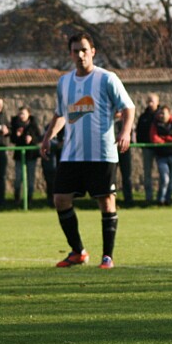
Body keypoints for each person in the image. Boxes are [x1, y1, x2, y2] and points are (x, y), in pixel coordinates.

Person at [40, 31, 135, 270]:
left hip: (102, 152)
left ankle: (107, 257)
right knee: (60, 199)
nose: (80, 54)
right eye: (75, 51)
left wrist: (125, 132)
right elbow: (62, 113)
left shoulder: (107, 79)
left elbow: (128, 107)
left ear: (92, 51)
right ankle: (78, 251)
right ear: (70, 54)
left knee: (106, 201)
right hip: (72, 153)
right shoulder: (65, 82)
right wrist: (48, 136)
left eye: (84, 49)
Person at [149, 105, 172, 205]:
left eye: (164, 113)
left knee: (171, 180)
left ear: (169, 114)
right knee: (165, 178)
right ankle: (161, 199)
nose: (162, 115)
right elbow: (154, 139)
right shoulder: (155, 124)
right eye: (160, 113)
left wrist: (163, 138)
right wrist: (168, 138)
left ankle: (168, 199)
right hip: (161, 155)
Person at [9, 106, 41, 204]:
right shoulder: (15, 124)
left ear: (28, 114)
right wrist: (17, 135)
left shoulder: (33, 125)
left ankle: (29, 199)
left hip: (31, 155)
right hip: (19, 155)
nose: (21, 116)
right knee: (18, 178)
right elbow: (12, 140)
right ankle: (17, 198)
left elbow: (39, 138)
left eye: (23, 113)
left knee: (30, 178)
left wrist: (32, 139)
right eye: (20, 114)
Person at [136, 93, 160, 204]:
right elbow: (139, 131)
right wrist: (141, 143)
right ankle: (149, 198)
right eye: (148, 101)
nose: (150, 104)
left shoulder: (161, 115)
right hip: (147, 148)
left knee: (163, 174)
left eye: (152, 101)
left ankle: (162, 198)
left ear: (157, 102)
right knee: (147, 174)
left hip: (161, 149)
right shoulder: (143, 116)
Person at [40, 121, 64, 207]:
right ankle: (51, 201)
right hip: (51, 162)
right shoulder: (48, 127)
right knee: (51, 180)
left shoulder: (69, 126)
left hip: (63, 161)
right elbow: (43, 138)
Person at [114, 110, 135, 205]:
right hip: (111, 152)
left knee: (127, 176)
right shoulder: (109, 122)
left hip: (124, 151)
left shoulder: (126, 122)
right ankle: (111, 198)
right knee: (111, 177)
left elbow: (132, 138)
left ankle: (128, 199)